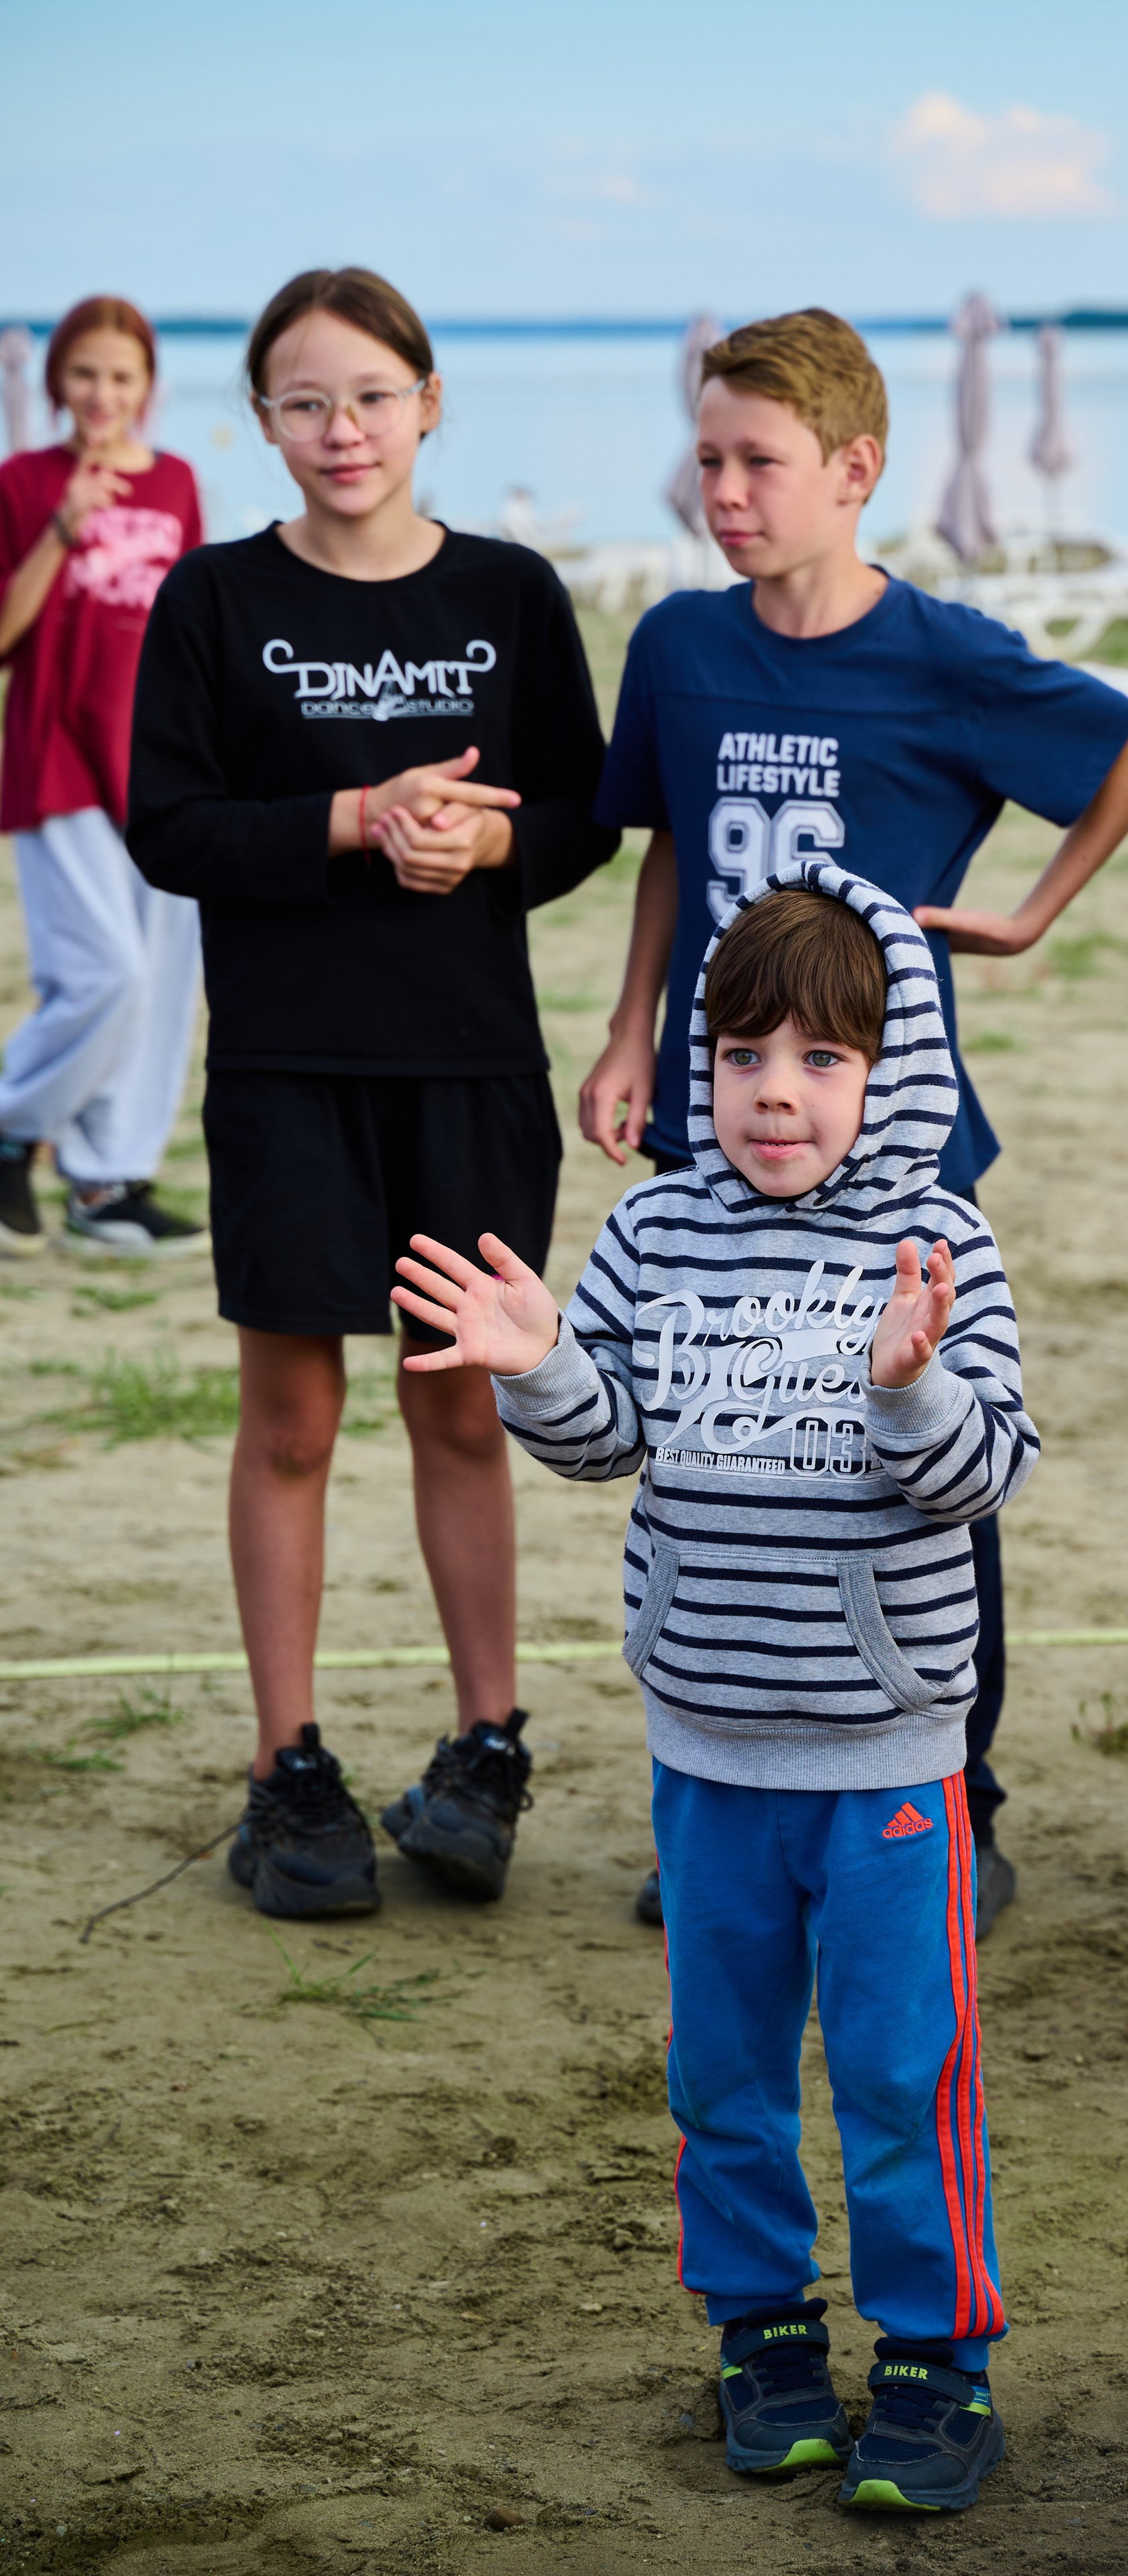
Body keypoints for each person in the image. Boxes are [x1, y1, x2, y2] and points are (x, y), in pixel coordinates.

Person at [394, 865, 1036, 2516]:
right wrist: (540, 1362)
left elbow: (988, 1470)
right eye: (741, 1052)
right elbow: (605, 1435)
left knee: (899, 2071)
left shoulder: (939, 1240)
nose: (774, 1092)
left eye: (820, 1058)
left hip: (885, 1757)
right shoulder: (655, 1227)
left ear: (890, 1072)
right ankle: (761, 2332)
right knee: (723, 2073)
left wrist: (908, 1392)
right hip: (705, 1751)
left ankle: (933, 2359)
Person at [578, 305, 1128, 1935]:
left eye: (757, 461)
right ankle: (742, 1777)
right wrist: (631, 1029)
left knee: (910, 1446)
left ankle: (954, 1793)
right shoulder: (678, 647)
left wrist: (1031, 914)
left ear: (854, 469)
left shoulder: (942, 656)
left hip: (891, 1148)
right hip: (722, 1126)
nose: (723, 490)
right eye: (706, 457)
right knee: (723, 1437)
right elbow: (669, 847)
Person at [126, 267, 616, 1919]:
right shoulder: (212, 597)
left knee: (459, 1403)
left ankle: (485, 1748)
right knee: (293, 1422)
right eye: (305, 402)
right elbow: (167, 826)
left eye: (372, 396)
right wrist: (355, 817)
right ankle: (290, 1767)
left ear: (428, 403)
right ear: (263, 420)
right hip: (285, 1069)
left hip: (470, 1064)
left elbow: (580, 814)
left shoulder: (509, 591)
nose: (343, 429)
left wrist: (482, 842)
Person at [0, 295, 206, 1257]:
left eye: (122, 376)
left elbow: (194, 628)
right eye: (84, 373)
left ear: (147, 386)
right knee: (104, 974)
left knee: (162, 981)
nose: (102, 393)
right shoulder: (24, 482)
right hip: (57, 759)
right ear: (56, 382)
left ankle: (106, 1182)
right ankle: (13, 1124)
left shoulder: (176, 482)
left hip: (161, 766)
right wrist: (62, 528)